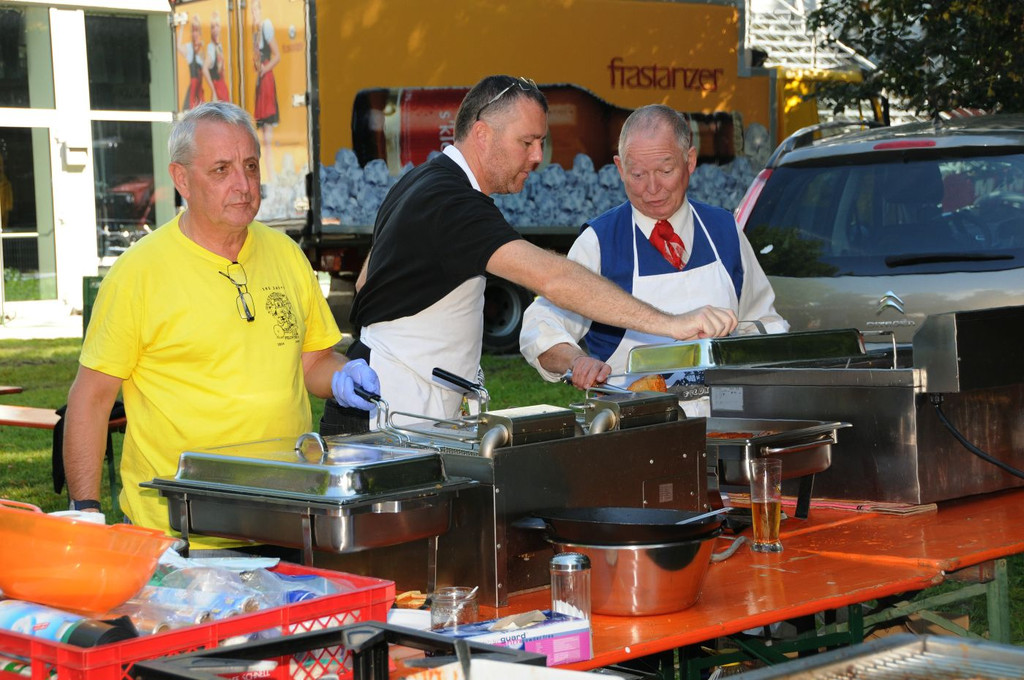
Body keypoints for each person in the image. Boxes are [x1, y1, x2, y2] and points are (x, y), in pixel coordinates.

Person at [62, 102, 379, 551]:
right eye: (222, 170)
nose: (244, 185)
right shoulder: (139, 273)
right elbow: (90, 398)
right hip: (179, 531)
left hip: (286, 513)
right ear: (181, 178)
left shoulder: (286, 255)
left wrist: (342, 375)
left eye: (251, 166)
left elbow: (313, 361)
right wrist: (86, 509)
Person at [347, 76, 737, 427]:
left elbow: (366, 285)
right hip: (391, 410)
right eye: (526, 142)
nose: (537, 156)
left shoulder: (420, 181)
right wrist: (673, 325)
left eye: (541, 142)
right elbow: (552, 278)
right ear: (482, 134)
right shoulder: (453, 203)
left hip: (399, 402)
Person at [520, 104, 788, 411]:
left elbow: (765, 324)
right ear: (619, 168)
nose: (652, 188)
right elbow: (539, 324)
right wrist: (576, 359)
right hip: (635, 428)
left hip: (726, 423)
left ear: (690, 161)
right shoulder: (600, 242)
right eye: (637, 174)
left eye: (665, 170)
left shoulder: (725, 231)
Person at [250, 0, 280, 181]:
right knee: (262, 136)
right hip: (260, 83)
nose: (254, 13)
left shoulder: (266, 27)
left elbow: (277, 55)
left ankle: (271, 175)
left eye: (255, 9)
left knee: (267, 135)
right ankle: (266, 176)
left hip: (266, 81)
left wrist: (264, 70)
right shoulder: (256, 33)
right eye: (252, 10)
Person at [176, 13, 205, 110]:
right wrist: (182, 26)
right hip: (193, 89)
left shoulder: (202, 50)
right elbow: (178, 46)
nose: (194, 33)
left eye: (196, 30)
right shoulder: (189, 48)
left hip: (200, 90)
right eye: (192, 31)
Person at [202, 11, 231, 103]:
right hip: (218, 89)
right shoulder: (211, 47)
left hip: (223, 88)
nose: (215, 29)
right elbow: (204, 69)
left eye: (217, 26)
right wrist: (213, 90)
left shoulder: (220, 46)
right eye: (212, 27)